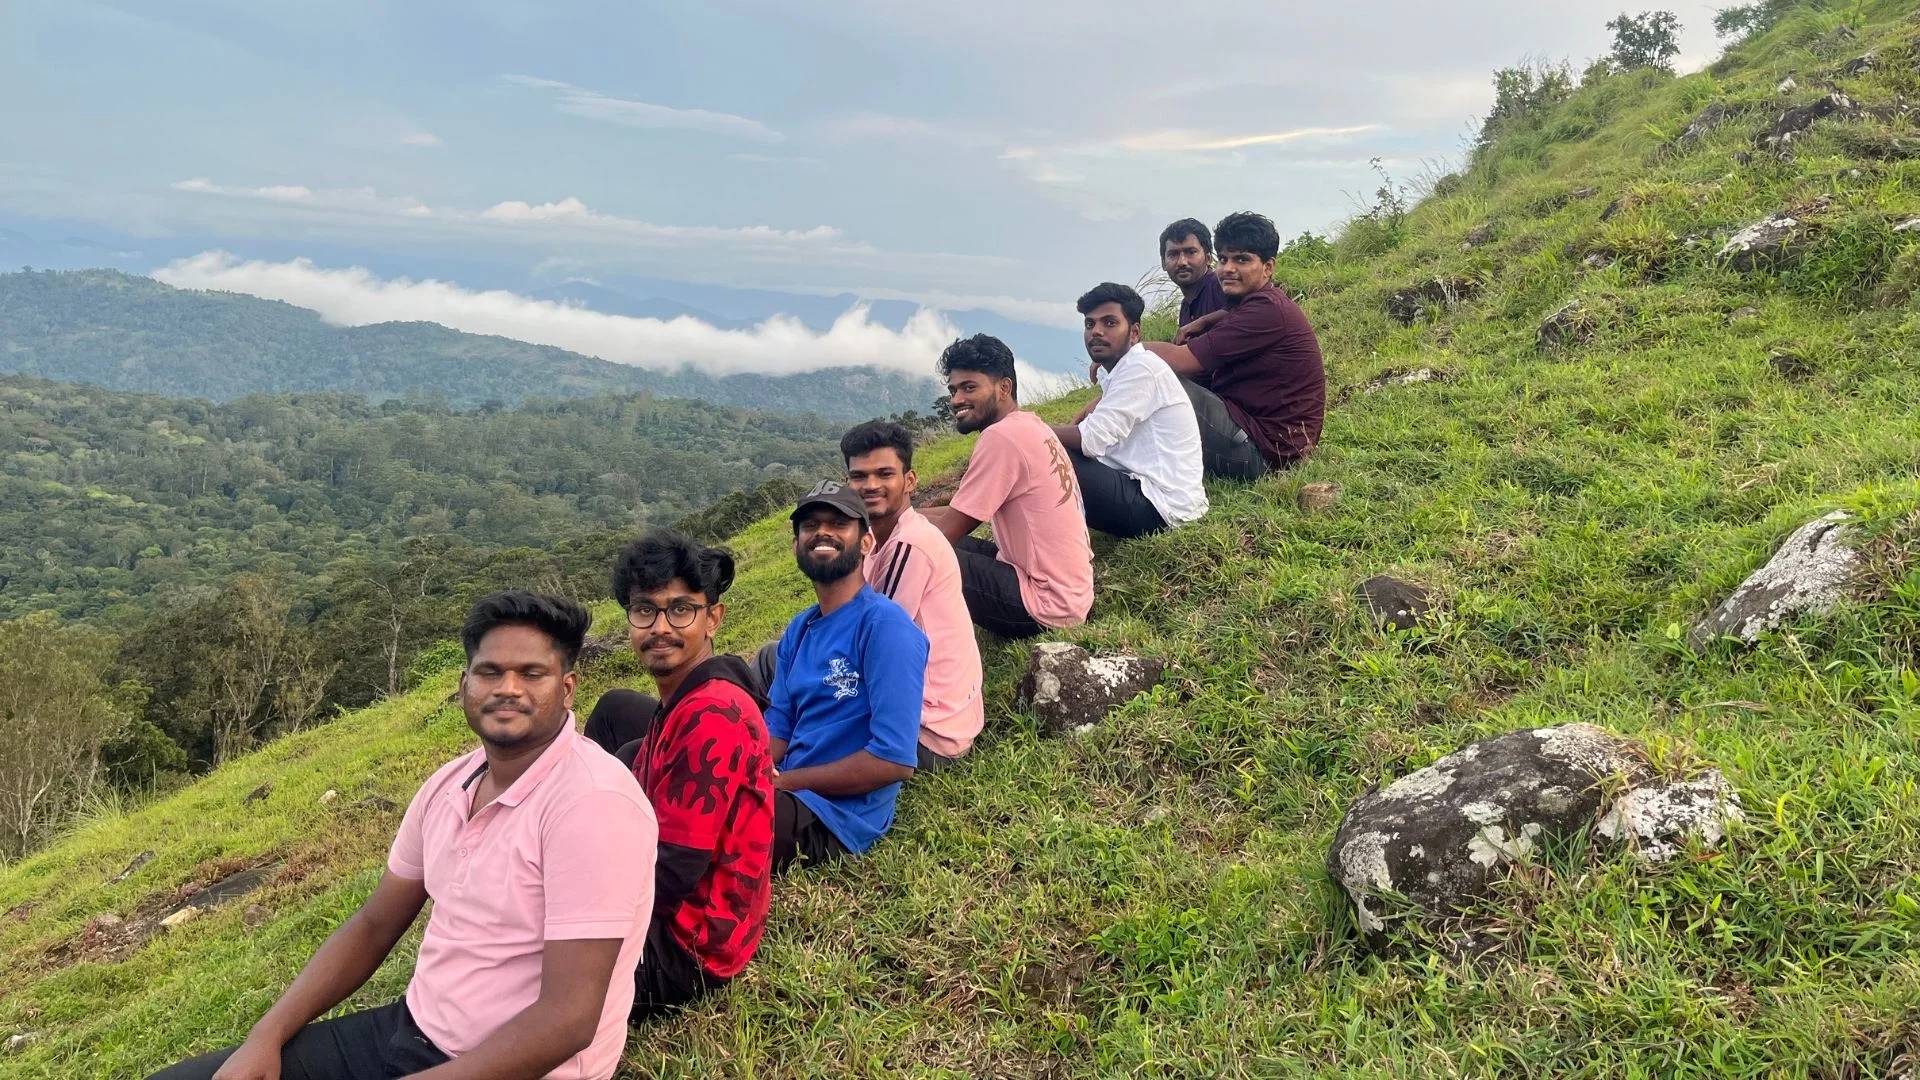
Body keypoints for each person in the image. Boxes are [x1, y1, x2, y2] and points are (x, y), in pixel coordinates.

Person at [149, 593, 656, 1080]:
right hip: (410, 1031)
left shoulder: (592, 804)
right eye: (489, 672)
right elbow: (374, 925)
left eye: (531, 674)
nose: (508, 688)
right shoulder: (449, 785)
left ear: (566, 689)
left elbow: (568, 1019)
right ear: (464, 685)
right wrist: (267, 1034)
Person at [581, 530, 772, 1022]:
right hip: (691, 919)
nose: (660, 627)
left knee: (515, 974)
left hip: (689, 948)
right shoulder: (685, 697)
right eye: (645, 610)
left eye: (681, 609)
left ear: (713, 618)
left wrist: (578, 913)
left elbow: (670, 873)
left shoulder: (712, 715)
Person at [765, 479, 928, 873]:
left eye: (839, 524)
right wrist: (747, 769)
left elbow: (893, 761)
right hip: (785, 790)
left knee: (707, 817)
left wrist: (782, 783)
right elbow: (779, 723)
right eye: (810, 525)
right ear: (796, 546)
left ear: (866, 542)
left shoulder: (884, 626)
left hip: (831, 818)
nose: (823, 532)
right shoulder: (800, 629)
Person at [921, 334, 1095, 639]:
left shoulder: (1001, 438)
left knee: (918, 551)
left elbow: (948, 529)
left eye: (969, 388)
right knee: (918, 535)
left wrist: (879, 533)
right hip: (1072, 592)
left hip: (1046, 607)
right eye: (953, 390)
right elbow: (957, 511)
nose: (956, 399)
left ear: (1004, 387)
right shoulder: (1031, 425)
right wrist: (897, 517)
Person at [839, 420, 984, 771]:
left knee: (804, 689)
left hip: (929, 732)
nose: (870, 486)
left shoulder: (910, 545)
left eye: (884, 474)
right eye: (859, 476)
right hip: (924, 711)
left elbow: (873, 644)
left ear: (909, 481)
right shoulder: (876, 539)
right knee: (779, 658)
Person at [1142, 210, 1326, 482]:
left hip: (1267, 453)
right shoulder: (1253, 304)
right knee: (1160, 382)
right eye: (1225, 259)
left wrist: (1123, 349)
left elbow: (1182, 360)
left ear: (1268, 267)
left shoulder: (1266, 310)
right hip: (1258, 433)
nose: (1228, 268)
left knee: (1163, 382)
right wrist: (1207, 320)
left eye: (1242, 259)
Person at [1052, 283, 1207, 539]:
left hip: (1162, 508)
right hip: (1152, 495)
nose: (1096, 331)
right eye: (1090, 324)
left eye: (1109, 323)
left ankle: (1049, 544)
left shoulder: (1141, 369)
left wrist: (1030, 429)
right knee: (1046, 447)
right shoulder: (1126, 369)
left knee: (1045, 451)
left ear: (1134, 333)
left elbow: (1091, 440)